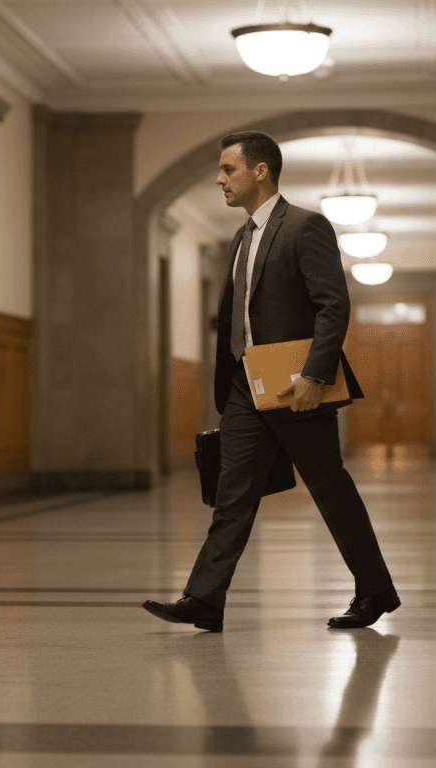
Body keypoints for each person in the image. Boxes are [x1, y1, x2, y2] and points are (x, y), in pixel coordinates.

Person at [143, 131, 399, 632]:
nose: (220, 179)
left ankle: (375, 592)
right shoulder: (241, 237)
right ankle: (204, 600)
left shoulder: (306, 227)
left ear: (260, 171)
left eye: (228, 169)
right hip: (246, 387)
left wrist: (314, 375)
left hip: (297, 388)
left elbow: (333, 305)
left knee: (331, 491)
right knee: (230, 494)